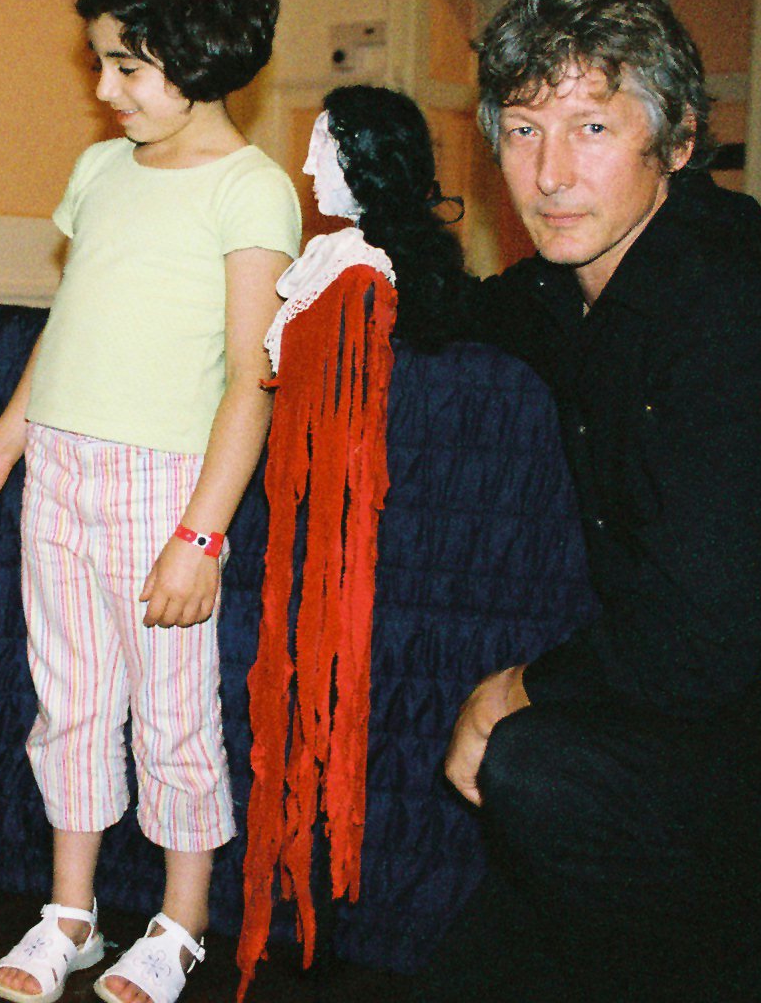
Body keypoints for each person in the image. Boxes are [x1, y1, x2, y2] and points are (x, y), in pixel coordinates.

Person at [417, 0, 761, 1001]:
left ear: (678, 143)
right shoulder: (576, 287)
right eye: (523, 130)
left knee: (530, 763)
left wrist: (509, 692)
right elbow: (469, 310)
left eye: (592, 128)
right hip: (708, 708)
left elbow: (702, 635)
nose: (550, 173)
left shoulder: (736, 313)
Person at [0, 0, 298, 1003]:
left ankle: (180, 921)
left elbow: (252, 377)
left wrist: (202, 535)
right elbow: (70, 320)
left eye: (127, 66)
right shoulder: (100, 169)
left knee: (170, 712)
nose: (105, 88)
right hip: (58, 465)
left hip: (167, 486)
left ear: (199, 60)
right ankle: (71, 914)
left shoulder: (251, 188)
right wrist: (4, 444)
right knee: (69, 699)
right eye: (101, 62)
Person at [240, 86, 470, 987]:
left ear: (370, 160)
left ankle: (319, 922)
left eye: (325, 149)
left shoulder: (363, 273)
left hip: (338, 544)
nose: (305, 167)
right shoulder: (337, 260)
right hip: (303, 528)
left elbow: (347, 434)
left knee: (324, 718)